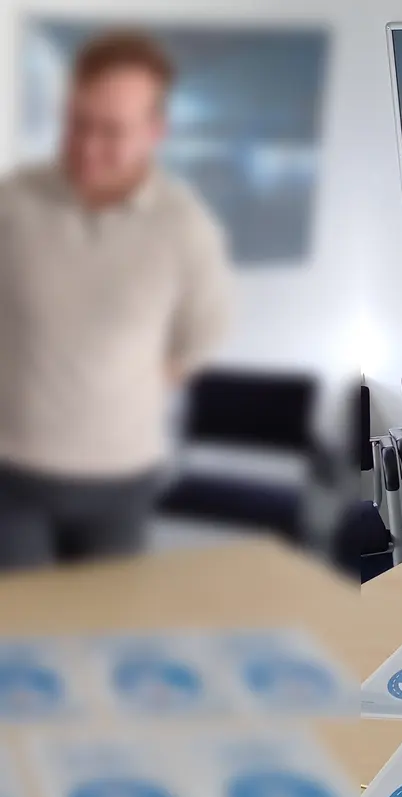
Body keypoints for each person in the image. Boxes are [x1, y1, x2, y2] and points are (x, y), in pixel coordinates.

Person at [0, 31, 232, 572]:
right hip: (12, 477)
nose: (85, 146)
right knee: (19, 638)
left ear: (155, 131)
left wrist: (111, 390)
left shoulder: (184, 224)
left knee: (101, 639)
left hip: (121, 484)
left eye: (109, 131)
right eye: (77, 122)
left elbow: (200, 336)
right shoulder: (13, 203)